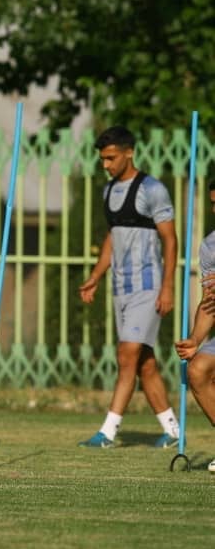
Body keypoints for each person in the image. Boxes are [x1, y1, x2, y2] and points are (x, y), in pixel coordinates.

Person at [78, 125, 179, 448]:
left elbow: (170, 239)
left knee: (126, 355)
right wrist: (96, 275)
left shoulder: (153, 189)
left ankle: (108, 431)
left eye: (110, 158)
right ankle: (174, 430)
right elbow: (113, 237)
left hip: (148, 288)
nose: (105, 165)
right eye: (102, 160)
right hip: (121, 289)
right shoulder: (108, 192)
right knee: (144, 364)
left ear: (129, 152)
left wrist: (167, 288)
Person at [175, 181, 215, 472]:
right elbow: (209, 301)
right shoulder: (210, 245)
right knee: (197, 369)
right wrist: (195, 339)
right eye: (213, 204)